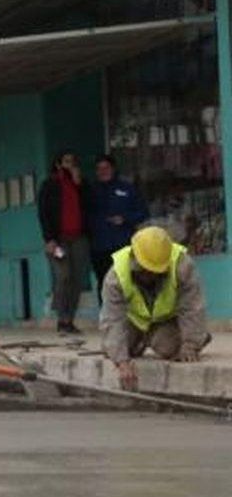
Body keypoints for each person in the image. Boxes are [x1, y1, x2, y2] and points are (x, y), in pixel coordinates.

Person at [99, 227, 210, 392]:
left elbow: (192, 308)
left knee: (167, 347)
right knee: (113, 349)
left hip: (165, 320)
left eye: (156, 272)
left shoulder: (182, 265)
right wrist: (122, 362)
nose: (150, 276)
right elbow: (113, 319)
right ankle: (140, 339)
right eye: (146, 270)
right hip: (135, 320)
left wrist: (191, 344)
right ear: (134, 260)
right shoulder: (116, 276)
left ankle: (199, 337)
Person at [37, 151, 89, 335]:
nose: (70, 165)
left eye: (73, 161)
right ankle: (61, 318)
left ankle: (70, 320)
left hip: (79, 238)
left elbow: (89, 205)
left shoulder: (80, 184)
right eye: (67, 161)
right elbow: (43, 213)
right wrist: (48, 239)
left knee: (76, 280)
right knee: (63, 276)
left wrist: (78, 183)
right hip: (58, 240)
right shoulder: (50, 184)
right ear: (59, 164)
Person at [87, 155, 149, 299]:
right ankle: (107, 318)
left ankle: (129, 317)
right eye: (99, 169)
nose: (103, 171)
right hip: (99, 247)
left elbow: (143, 212)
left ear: (113, 169)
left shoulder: (127, 188)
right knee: (104, 283)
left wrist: (125, 219)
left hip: (123, 244)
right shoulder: (91, 191)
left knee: (126, 281)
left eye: (106, 168)